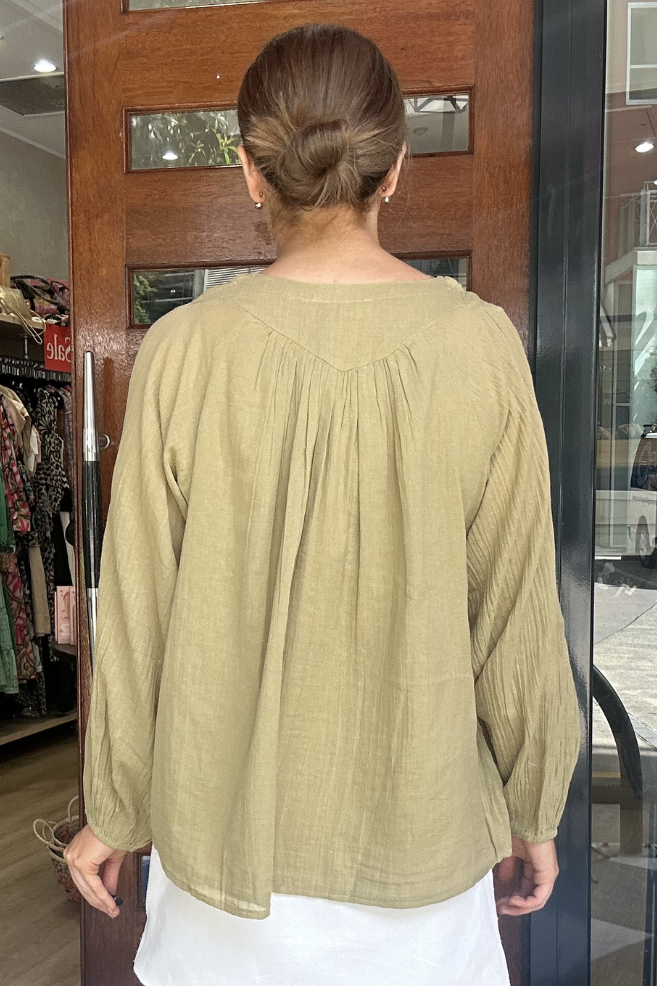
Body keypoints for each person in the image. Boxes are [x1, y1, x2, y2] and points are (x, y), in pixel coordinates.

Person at [65, 23, 581, 986]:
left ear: (252, 176)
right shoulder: (479, 348)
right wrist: (533, 811)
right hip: (422, 860)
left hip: (224, 863)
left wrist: (117, 809)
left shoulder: (184, 351)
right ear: (395, 173)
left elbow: (135, 616)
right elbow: (516, 611)